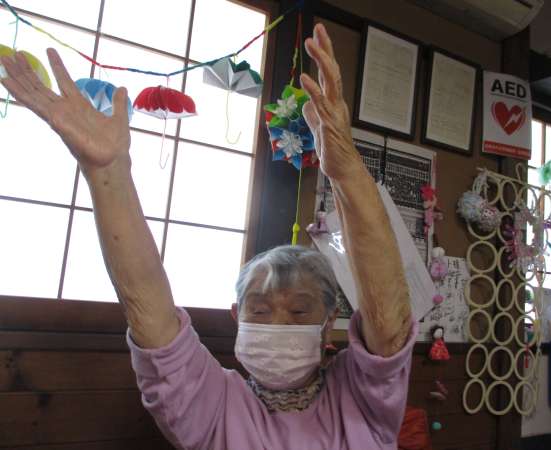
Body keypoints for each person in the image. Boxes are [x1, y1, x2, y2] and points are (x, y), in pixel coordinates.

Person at [1, 23, 415, 450]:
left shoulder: (362, 397)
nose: (277, 323)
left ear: (329, 324)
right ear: (237, 316)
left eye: (298, 311)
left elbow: (387, 319)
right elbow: (150, 310)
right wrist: (107, 173)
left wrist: (345, 167)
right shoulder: (211, 403)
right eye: (259, 310)